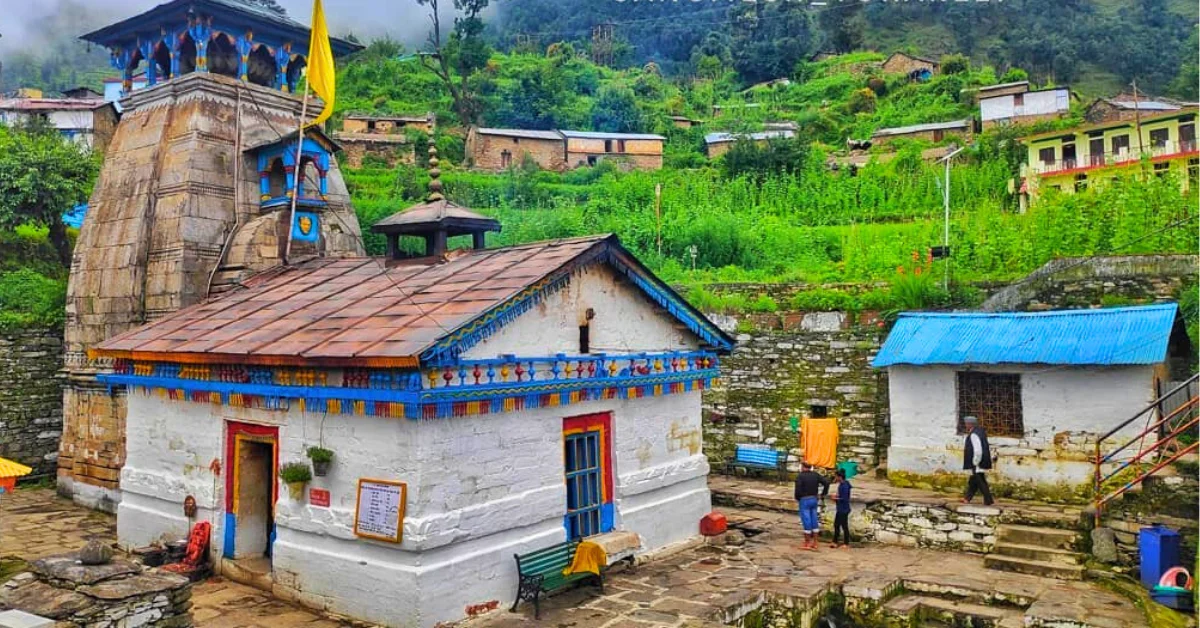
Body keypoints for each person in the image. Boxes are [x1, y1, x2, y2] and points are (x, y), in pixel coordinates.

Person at [794, 461, 830, 550]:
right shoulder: (815, 475)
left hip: (804, 499)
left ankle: (807, 543)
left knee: (806, 521)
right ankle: (816, 543)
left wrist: (798, 498)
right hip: (814, 499)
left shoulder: (800, 476)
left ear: (802, 467)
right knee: (814, 519)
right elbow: (826, 483)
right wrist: (823, 494)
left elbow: (798, 490)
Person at [961, 415, 995, 506]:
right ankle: (967, 498)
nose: (965, 425)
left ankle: (988, 500)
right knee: (974, 480)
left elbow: (978, 450)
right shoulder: (980, 431)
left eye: (966, 423)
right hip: (979, 461)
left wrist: (975, 462)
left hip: (977, 462)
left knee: (980, 480)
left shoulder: (974, 435)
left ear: (970, 424)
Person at [830, 468, 852, 548]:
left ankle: (844, 542)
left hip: (843, 508)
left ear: (839, 477)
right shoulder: (842, 484)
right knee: (837, 525)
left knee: (842, 525)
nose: (835, 478)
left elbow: (844, 498)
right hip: (841, 508)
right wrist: (837, 496)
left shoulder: (845, 486)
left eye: (836, 476)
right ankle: (836, 541)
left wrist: (835, 498)